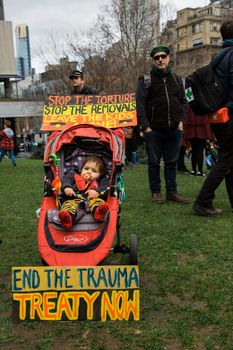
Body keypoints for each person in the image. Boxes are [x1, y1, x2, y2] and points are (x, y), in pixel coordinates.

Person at [136, 45, 189, 204]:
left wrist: (181, 122)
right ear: (153, 61)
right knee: (153, 163)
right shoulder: (145, 80)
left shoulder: (178, 79)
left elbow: (184, 102)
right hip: (154, 131)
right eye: (157, 57)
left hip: (174, 129)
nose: (160, 59)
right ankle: (156, 192)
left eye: (163, 56)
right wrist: (146, 127)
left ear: (168, 58)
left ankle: (172, 192)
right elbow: (139, 105)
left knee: (171, 162)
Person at [193, 21, 233, 216]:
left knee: (229, 158)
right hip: (230, 114)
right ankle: (203, 200)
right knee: (226, 159)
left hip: (218, 116)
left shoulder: (217, 57)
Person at [58, 155, 109, 228]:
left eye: (94, 171)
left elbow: (106, 187)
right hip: (73, 199)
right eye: (86, 168)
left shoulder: (102, 181)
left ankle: (98, 212)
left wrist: (97, 191)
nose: (89, 172)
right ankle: (67, 218)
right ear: (81, 169)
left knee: (98, 202)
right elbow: (66, 180)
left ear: (100, 175)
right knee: (68, 205)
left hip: (92, 199)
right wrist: (67, 188)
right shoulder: (74, 176)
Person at [184, 107, 214, 177]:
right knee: (199, 151)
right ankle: (199, 171)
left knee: (194, 151)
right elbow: (206, 118)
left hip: (192, 129)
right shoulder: (202, 102)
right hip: (201, 129)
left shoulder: (190, 101)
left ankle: (194, 170)